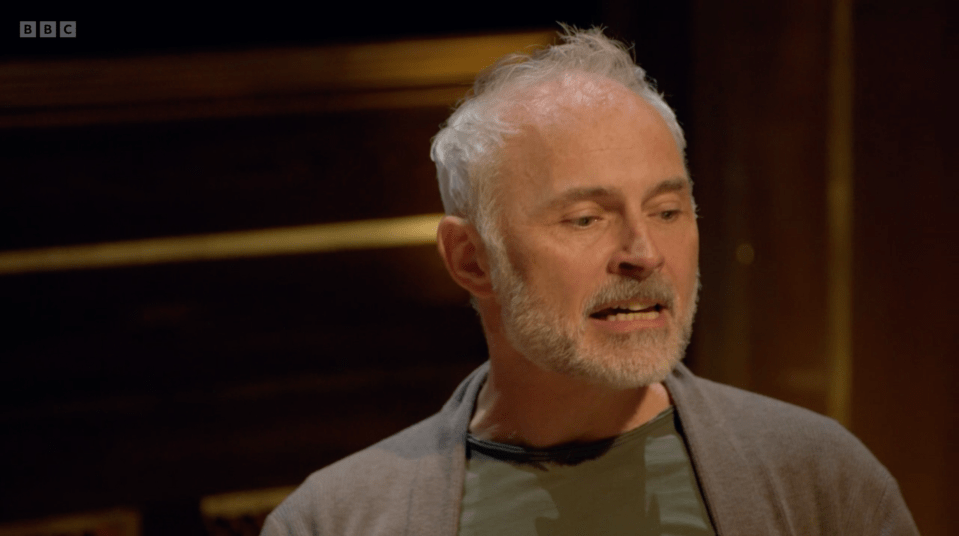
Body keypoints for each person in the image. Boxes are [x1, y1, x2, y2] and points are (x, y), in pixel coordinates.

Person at [261, 27, 918, 535]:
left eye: (667, 211)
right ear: (470, 260)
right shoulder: (334, 520)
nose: (643, 253)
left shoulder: (819, 479)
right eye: (585, 219)